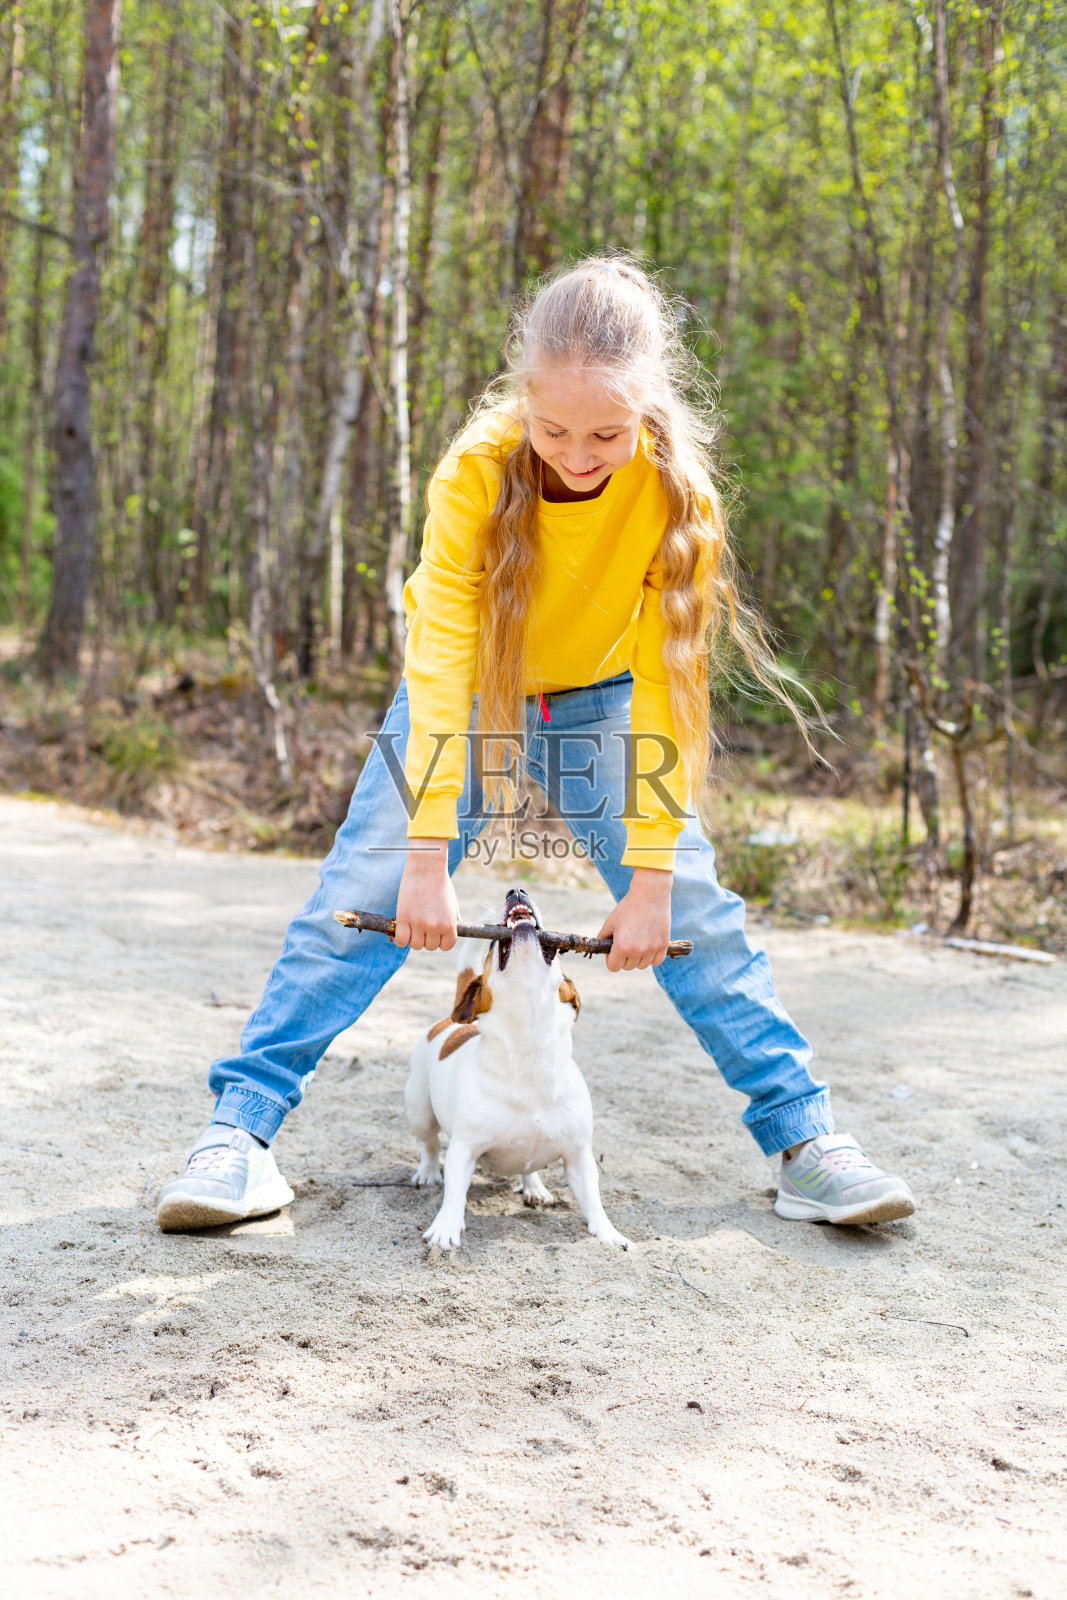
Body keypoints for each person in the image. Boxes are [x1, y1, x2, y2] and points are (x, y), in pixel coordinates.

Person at [157, 256, 915, 1235]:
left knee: (696, 907)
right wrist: (426, 859)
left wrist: (646, 882)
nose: (577, 453)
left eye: (605, 432)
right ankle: (237, 1137)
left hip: (603, 703)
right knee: (360, 891)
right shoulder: (476, 470)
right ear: (523, 397)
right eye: (552, 429)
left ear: (645, 409)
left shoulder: (672, 495)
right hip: (470, 694)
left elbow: (667, 690)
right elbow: (436, 669)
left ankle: (806, 1143)